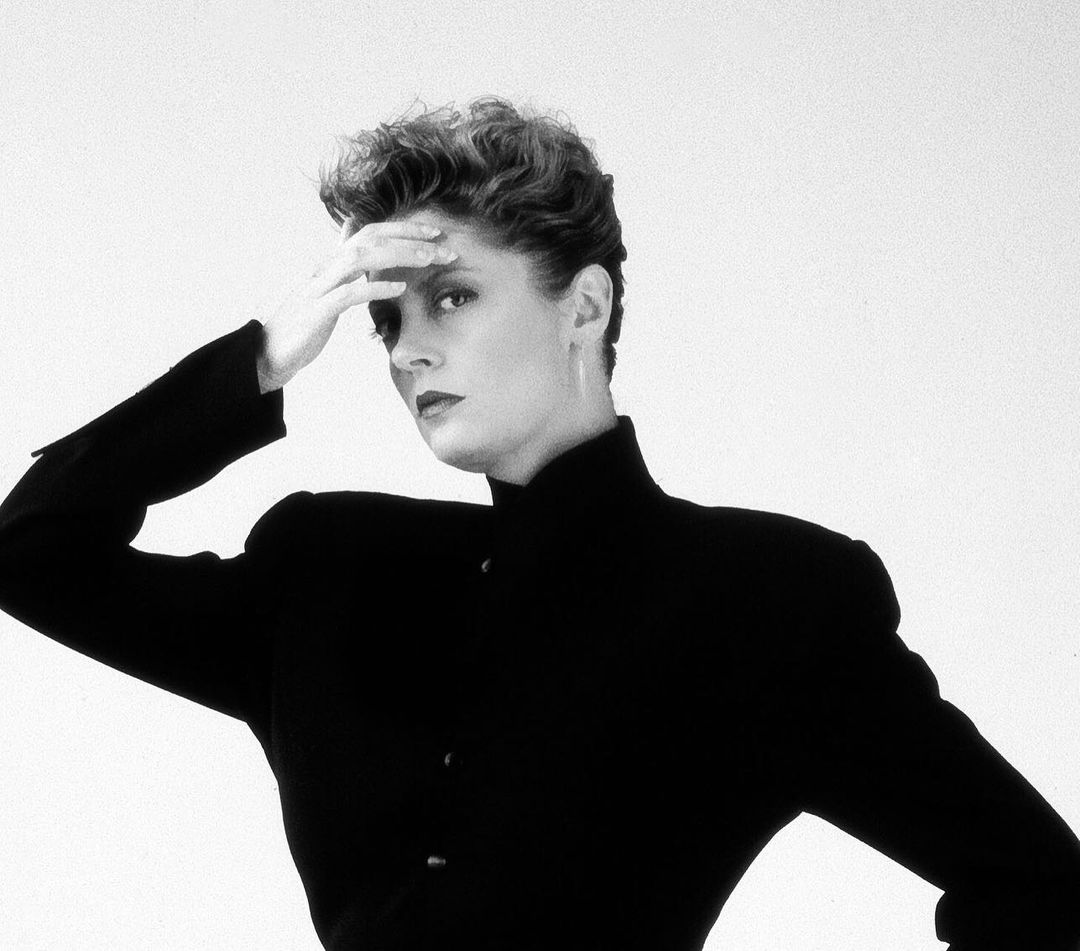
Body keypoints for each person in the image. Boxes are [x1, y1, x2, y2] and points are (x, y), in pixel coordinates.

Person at [0, 97, 1077, 951]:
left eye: (453, 297)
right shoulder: (327, 573)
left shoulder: (767, 601)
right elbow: (30, 554)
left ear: (585, 305)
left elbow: (1043, 891)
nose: (407, 349)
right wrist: (261, 359)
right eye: (386, 318)